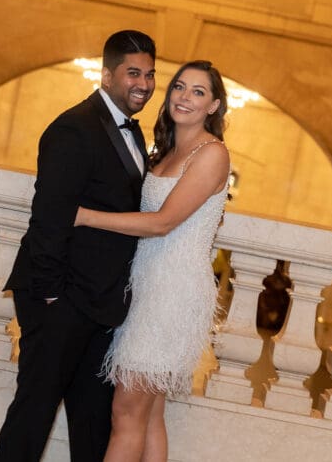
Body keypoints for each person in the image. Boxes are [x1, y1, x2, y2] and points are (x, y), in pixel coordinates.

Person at [0, 30, 157, 462]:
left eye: (149, 74)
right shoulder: (74, 128)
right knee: (34, 413)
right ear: (106, 75)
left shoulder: (132, 131)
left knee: (93, 424)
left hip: (101, 302)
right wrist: (51, 294)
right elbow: (49, 215)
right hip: (61, 296)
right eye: (133, 73)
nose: (143, 84)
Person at [74, 60, 231, 462]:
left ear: (214, 106)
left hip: (172, 292)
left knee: (125, 414)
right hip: (145, 285)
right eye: (179, 87)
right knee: (148, 414)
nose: (185, 97)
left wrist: (85, 216)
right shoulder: (165, 152)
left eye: (198, 92)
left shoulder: (212, 154)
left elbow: (162, 223)